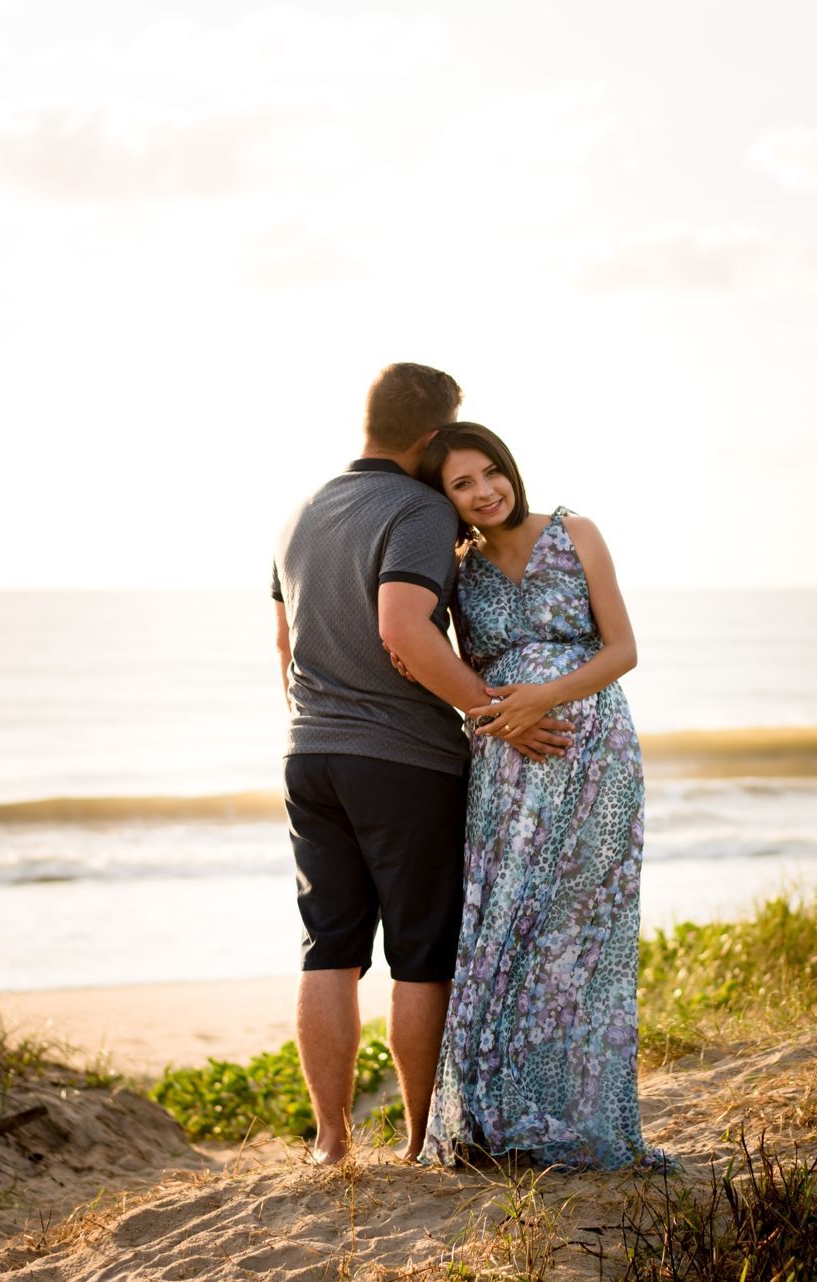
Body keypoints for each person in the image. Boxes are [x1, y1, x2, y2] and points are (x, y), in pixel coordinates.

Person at [270, 366, 572, 1165]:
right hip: (403, 764)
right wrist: (492, 713)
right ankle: (414, 1143)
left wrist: (321, 720)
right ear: (433, 438)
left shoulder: (301, 510)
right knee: (420, 954)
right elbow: (404, 627)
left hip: (311, 754)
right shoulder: (419, 508)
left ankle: (330, 1144)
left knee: (328, 947)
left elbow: (282, 644)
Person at [414, 422, 664, 1169]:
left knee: (583, 934)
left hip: (594, 757)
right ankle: (504, 1122)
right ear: (445, 499)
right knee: (506, 931)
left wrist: (540, 700)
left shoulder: (575, 531)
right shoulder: (457, 571)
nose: (484, 491)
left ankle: (580, 1121)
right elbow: (455, 666)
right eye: (462, 484)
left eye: (490, 472)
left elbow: (623, 650)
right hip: (507, 766)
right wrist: (502, 721)